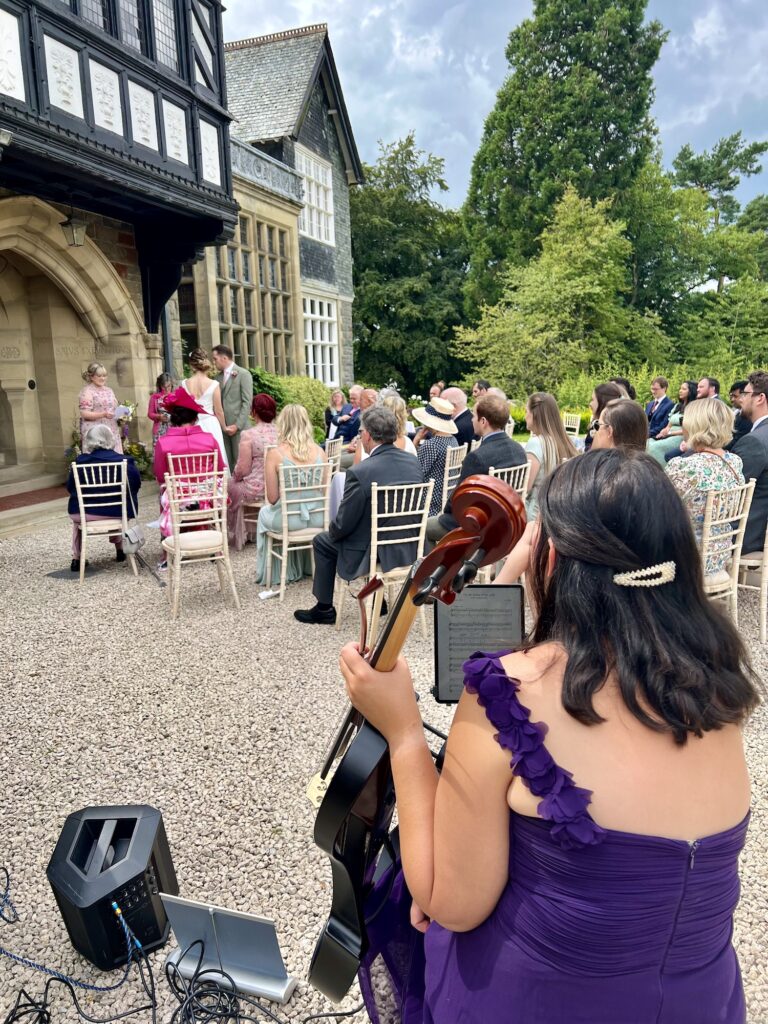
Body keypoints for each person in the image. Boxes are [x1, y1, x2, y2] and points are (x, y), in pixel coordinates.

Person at [342, 448, 759, 1024]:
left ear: (554, 555)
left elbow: (450, 904)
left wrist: (405, 733)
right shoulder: (719, 689)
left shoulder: (508, 692)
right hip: (704, 1003)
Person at [294, 406, 424, 625]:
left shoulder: (361, 471)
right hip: (408, 546)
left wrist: (333, 531)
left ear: (368, 436)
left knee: (323, 541)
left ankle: (324, 608)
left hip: (373, 551)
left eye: (361, 431)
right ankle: (378, 599)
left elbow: (345, 523)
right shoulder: (413, 463)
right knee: (364, 528)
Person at [426, 395, 526, 545]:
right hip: (508, 520)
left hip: (478, 523)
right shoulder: (519, 450)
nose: (471, 419)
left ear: (483, 421)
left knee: (424, 528)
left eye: (474, 416)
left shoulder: (477, 457)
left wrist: (444, 513)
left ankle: (440, 567)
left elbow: (458, 499)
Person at [667, 398, 745, 575]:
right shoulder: (734, 461)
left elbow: (657, 508)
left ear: (694, 425)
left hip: (686, 557)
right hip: (720, 554)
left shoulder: (685, 466)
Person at [153, 387, 226, 568]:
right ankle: (213, 543)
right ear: (195, 417)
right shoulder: (209, 439)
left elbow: (160, 476)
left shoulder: (164, 442)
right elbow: (221, 469)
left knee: (164, 491)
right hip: (207, 499)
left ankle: (170, 546)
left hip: (178, 502)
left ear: (174, 418)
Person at [255, 404, 328, 586]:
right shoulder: (321, 452)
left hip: (288, 520)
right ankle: (307, 567)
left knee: (263, 513)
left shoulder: (275, 454)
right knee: (284, 512)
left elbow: (272, 498)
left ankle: (278, 573)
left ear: (283, 424)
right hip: (318, 518)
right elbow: (324, 491)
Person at [66, 424, 141, 573]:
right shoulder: (124, 461)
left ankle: (77, 558)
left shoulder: (80, 462)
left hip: (86, 514)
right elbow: (136, 485)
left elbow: (70, 488)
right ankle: (120, 549)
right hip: (118, 512)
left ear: (89, 441)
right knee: (116, 507)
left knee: (79, 518)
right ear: (111, 440)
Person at [227, 393, 279, 551]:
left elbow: (243, 469)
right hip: (277, 488)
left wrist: (234, 477)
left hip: (256, 489)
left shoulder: (249, 435)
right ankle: (253, 530)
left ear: (254, 412)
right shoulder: (281, 433)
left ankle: (243, 532)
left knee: (230, 485)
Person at [728, 370, 768, 556]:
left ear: (760, 398)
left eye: (745, 393)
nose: (740, 399)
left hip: (747, 534)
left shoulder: (755, 441)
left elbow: (730, 491)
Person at [523, 393, 577, 519]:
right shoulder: (564, 441)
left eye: (526, 411)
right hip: (557, 512)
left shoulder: (536, 443)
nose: (525, 416)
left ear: (535, 414)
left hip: (535, 515)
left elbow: (526, 488)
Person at [412, 397, 459, 516]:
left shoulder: (431, 445)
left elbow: (415, 474)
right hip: (445, 499)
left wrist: (415, 441)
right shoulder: (453, 440)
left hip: (428, 504)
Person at [182, 349, 229, 470]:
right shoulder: (213, 384)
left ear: (192, 364)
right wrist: (224, 427)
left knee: (194, 460)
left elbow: (182, 409)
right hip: (210, 424)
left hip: (191, 425)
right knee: (215, 458)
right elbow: (219, 411)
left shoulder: (184, 384)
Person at [212, 344, 254, 466]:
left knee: (241, 463)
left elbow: (247, 402)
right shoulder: (217, 378)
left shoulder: (243, 374)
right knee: (227, 463)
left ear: (224, 358)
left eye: (215, 359)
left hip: (239, 428)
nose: (214, 362)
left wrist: (237, 425)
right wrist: (222, 425)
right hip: (222, 428)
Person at [648, 381, 697, 464]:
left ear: (691, 391)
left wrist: (670, 433)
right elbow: (669, 424)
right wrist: (664, 431)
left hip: (681, 437)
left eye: (684, 389)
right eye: (680, 388)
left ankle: (662, 471)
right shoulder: (677, 406)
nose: (680, 391)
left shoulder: (694, 408)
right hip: (668, 435)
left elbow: (689, 429)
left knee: (654, 447)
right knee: (647, 443)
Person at [78, 362, 122, 453]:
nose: (103, 378)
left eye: (104, 375)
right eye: (99, 376)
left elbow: (115, 408)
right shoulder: (87, 391)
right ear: (91, 377)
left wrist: (123, 413)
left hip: (111, 430)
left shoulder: (109, 390)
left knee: (115, 459)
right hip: (95, 433)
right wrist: (103, 414)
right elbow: (84, 413)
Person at [584, 382, 624, 452]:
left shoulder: (602, 428)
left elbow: (592, 454)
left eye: (593, 399)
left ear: (602, 401)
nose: (590, 404)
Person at [147, 372, 173, 446]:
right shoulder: (155, 397)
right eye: (164, 387)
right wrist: (159, 416)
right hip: (159, 429)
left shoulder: (175, 396)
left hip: (173, 428)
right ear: (160, 386)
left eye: (169, 386)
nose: (167, 389)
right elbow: (150, 414)